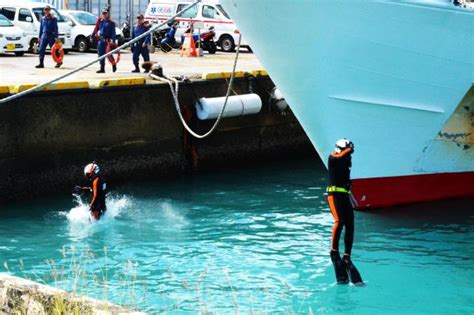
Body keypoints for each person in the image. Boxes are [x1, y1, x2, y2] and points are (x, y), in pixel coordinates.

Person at [326, 138, 362, 284]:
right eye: (347, 153)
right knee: (339, 221)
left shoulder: (346, 161)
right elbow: (339, 156)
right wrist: (348, 149)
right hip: (334, 196)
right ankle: (334, 252)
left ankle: (347, 255)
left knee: (350, 224)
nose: (349, 156)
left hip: (344, 196)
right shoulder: (333, 157)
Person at [92, 8, 117, 73]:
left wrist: (113, 40)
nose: (104, 14)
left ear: (108, 13)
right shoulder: (100, 22)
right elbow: (95, 29)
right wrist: (92, 36)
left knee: (109, 54)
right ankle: (102, 68)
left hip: (107, 41)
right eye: (103, 13)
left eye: (105, 13)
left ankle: (114, 65)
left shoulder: (111, 23)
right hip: (101, 41)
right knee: (100, 55)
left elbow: (113, 33)